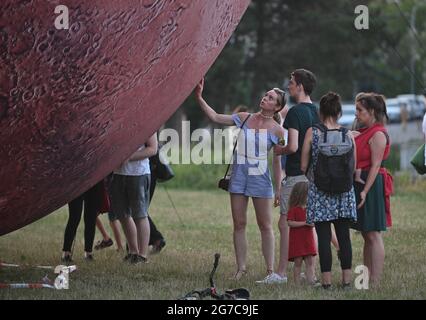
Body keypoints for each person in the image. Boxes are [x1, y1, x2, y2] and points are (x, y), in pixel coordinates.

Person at [195, 78, 286, 284]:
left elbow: (278, 161)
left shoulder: (278, 131)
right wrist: (199, 97)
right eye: (266, 95)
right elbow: (216, 116)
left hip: (261, 180)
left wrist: (279, 188)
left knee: (265, 225)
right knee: (239, 223)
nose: (265, 98)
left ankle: (270, 270)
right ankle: (241, 268)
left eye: (271, 98)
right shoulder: (244, 118)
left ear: (277, 106)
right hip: (238, 177)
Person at [301, 92, 357, 290]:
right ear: (339, 112)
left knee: (324, 239)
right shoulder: (348, 134)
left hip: (319, 192)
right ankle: (347, 282)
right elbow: (353, 166)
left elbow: (303, 166)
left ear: (321, 111)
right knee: (344, 237)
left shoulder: (312, 133)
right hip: (343, 192)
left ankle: (326, 284)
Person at [274, 69, 320, 281]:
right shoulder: (317, 111)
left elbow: (292, 146)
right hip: (313, 175)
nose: (289, 85)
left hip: (294, 174)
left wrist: (278, 149)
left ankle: (282, 273)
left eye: (291, 82)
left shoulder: (294, 112)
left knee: (284, 222)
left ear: (300, 86)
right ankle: (310, 270)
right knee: (310, 224)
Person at [352, 92, 392, 286]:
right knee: (366, 233)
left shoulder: (378, 133)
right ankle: (364, 280)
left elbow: (375, 165)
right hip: (362, 181)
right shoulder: (364, 130)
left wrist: (365, 191)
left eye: (360, 110)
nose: (356, 114)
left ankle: (374, 282)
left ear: (372, 111)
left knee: (373, 234)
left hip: (372, 184)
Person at [111, 134, 158, 264]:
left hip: (139, 173)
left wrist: (129, 157)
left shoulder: (147, 121)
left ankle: (142, 256)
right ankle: (133, 252)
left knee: (140, 215)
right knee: (123, 215)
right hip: (118, 173)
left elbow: (152, 149)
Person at [61, 181, 104, 262]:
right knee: (74, 217)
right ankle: (66, 253)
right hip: (77, 180)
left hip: (94, 181)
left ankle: (88, 253)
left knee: (91, 218)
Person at [286, 182, 317, 285]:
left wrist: (312, 223)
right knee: (298, 262)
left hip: (308, 239)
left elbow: (313, 223)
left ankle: (311, 280)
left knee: (310, 262)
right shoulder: (293, 209)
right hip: (297, 240)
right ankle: (297, 283)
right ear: (302, 195)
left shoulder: (310, 209)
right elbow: (290, 222)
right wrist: (305, 223)